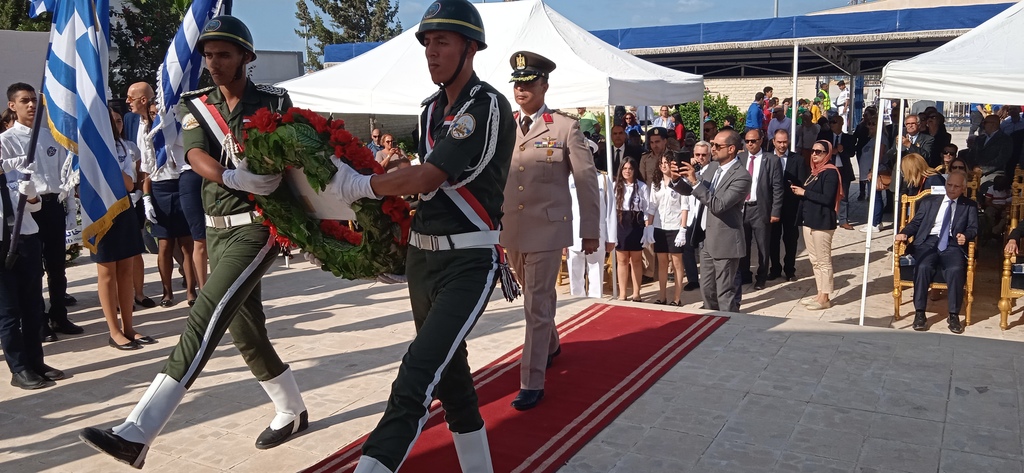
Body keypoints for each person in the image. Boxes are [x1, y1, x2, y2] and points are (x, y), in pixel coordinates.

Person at [79, 16, 309, 468]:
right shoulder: (197, 104)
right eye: (208, 55)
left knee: (206, 314)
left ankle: (138, 431)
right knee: (244, 329)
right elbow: (194, 153)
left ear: (246, 56)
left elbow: (294, 151)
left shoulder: (274, 100)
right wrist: (230, 176)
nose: (214, 62)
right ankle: (292, 409)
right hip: (217, 227)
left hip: (259, 225)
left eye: (224, 54)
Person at [320, 2, 516, 470]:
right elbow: (421, 184)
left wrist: (363, 185)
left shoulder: (484, 106)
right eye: (427, 42)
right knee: (451, 379)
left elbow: (430, 177)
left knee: (416, 374)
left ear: (471, 48)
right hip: (423, 262)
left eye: (442, 41)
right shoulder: (430, 110)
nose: (431, 51)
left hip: (468, 261)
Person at [503, 50, 599, 411]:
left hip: (547, 229)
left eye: (529, 83)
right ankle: (552, 343)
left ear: (544, 85)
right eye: (517, 83)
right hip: (511, 229)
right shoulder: (504, 127)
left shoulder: (564, 127)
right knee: (535, 297)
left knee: (535, 305)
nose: (521, 90)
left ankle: (531, 380)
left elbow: (586, 181)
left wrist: (590, 230)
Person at [0, 83, 81, 343]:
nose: (32, 105)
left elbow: (62, 175)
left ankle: (59, 314)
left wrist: (69, 208)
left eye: (34, 100)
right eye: (25, 100)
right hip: (27, 210)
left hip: (52, 204)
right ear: (12, 105)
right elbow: (9, 181)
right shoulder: (6, 141)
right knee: (34, 270)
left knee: (57, 265)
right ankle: (37, 321)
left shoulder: (49, 136)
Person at [0, 124, 65, 389]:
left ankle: (36, 362)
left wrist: (30, 195)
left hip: (27, 239)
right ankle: (19, 369)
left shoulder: (14, 169)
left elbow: (35, 207)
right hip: (1, 244)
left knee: (32, 307)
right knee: (8, 312)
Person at [130, 82, 198, 308]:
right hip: (159, 188)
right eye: (151, 113)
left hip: (180, 183)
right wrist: (146, 197)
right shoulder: (142, 128)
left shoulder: (173, 124)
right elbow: (146, 167)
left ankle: (191, 291)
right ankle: (166, 292)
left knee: (187, 243)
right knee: (165, 244)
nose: (155, 117)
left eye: (157, 113)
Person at [673, 130, 751, 313]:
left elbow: (718, 205)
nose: (713, 148)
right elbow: (692, 189)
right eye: (712, 144)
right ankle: (712, 321)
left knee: (725, 292)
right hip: (707, 239)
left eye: (717, 145)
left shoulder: (742, 176)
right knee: (707, 289)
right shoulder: (713, 168)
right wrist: (676, 179)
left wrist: (695, 182)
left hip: (726, 241)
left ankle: (730, 325)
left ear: (731, 149)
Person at [895, 171, 978, 334]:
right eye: (949, 185)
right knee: (923, 266)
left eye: (956, 186)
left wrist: (965, 236)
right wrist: (904, 233)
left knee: (955, 269)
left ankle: (953, 315)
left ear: (963, 188)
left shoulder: (969, 205)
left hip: (953, 243)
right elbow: (916, 223)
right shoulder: (929, 202)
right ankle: (920, 313)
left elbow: (973, 228)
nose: (952, 189)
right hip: (928, 241)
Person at [98, 108, 151, 350]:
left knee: (126, 271)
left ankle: (129, 327)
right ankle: (114, 331)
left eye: (118, 120)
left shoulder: (124, 147)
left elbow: (129, 183)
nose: (116, 124)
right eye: (111, 121)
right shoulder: (87, 151)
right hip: (101, 213)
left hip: (124, 208)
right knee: (107, 273)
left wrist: (108, 162)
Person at [792, 141, 841, 310]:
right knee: (815, 260)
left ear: (827, 154)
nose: (814, 154)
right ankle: (820, 293)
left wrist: (804, 192)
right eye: (813, 151)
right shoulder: (814, 172)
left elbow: (827, 198)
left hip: (822, 222)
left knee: (824, 260)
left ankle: (825, 297)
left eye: (819, 152)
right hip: (810, 221)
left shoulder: (830, 172)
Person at [736, 128, 783, 292]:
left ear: (761, 141)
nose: (750, 144)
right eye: (747, 141)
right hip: (742, 208)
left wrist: (775, 211)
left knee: (763, 245)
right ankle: (744, 274)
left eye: (753, 141)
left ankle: (761, 277)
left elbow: (778, 188)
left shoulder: (771, 160)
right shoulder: (740, 158)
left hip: (761, 208)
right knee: (743, 244)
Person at [568, 167, 615, 299]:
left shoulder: (603, 179)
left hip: (597, 232)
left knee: (596, 272)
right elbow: (565, 209)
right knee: (575, 273)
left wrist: (611, 237)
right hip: (573, 233)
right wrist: (562, 238)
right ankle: (576, 301)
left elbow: (610, 209)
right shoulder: (569, 178)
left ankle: (595, 301)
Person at [768, 129, 809, 282]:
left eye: (785, 142)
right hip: (772, 206)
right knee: (772, 239)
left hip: (791, 206)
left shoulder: (797, 159)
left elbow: (802, 182)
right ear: (773, 142)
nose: (782, 145)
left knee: (791, 239)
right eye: (779, 142)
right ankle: (774, 269)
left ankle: (790, 269)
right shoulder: (766, 158)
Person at [647, 155, 687, 306]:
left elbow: (685, 207)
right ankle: (662, 296)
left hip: (675, 226)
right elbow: (652, 207)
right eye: (661, 163)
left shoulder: (681, 182)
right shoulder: (656, 184)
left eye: (667, 163)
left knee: (677, 263)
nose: (664, 166)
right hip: (659, 227)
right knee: (662, 263)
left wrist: (683, 229)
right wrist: (648, 227)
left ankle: (677, 298)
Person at [614, 158, 648, 302]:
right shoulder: (616, 186)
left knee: (636, 260)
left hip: (636, 223)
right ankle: (622, 293)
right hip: (620, 222)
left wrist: (647, 228)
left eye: (630, 168)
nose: (627, 171)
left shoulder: (642, 186)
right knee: (622, 260)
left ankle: (636, 293)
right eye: (624, 168)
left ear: (635, 170)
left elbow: (647, 209)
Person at [680, 141, 711, 292]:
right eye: (697, 154)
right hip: (691, 214)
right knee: (687, 248)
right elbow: (682, 189)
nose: (700, 158)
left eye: (703, 155)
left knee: (704, 249)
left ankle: (706, 280)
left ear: (709, 155)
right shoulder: (691, 170)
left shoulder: (713, 170)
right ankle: (693, 279)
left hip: (705, 215)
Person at [818, 116, 856, 230]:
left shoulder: (848, 138)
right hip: (828, 169)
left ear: (841, 123)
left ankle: (843, 220)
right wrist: (831, 152)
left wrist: (842, 150)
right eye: (830, 122)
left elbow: (852, 153)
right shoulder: (824, 136)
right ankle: (827, 218)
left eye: (834, 122)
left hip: (843, 170)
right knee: (827, 195)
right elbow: (818, 151)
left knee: (843, 196)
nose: (831, 124)